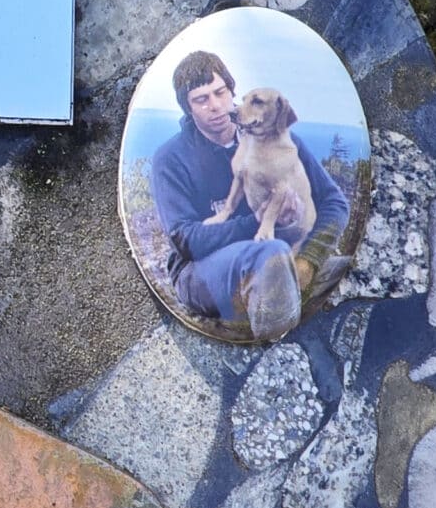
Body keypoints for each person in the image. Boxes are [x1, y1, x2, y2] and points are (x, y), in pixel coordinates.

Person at [150, 49, 351, 341]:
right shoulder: (170, 158)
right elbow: (185, 240)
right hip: (200, 273)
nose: (216, 106)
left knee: (339, 264)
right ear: (188, 109)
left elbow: (334, 203)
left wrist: (308, 260)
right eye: (201, 99)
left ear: (232, 90)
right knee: (272, 254)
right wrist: (254, 222)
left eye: (220, 92)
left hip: (280, 255)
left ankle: (280, 290)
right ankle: (274, 336)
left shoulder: (279, 138)